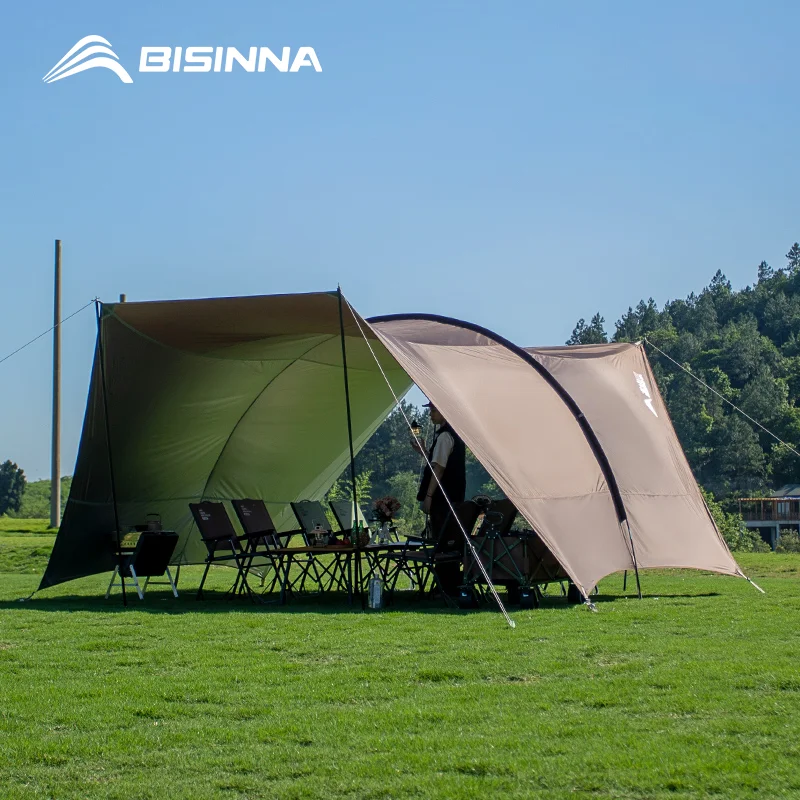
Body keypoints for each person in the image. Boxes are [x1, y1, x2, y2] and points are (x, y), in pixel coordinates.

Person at [411, 401, 466, 593]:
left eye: (433, 410)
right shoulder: (452, 436)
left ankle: (446, 585)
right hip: (453, 499)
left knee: (443, 544)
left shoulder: (444, 437)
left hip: (444, 501)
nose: (430, 414)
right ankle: (448, 584)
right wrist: (424, 452)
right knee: (449, 542)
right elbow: (438, 463)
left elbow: (439, 469)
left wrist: (428, 496)